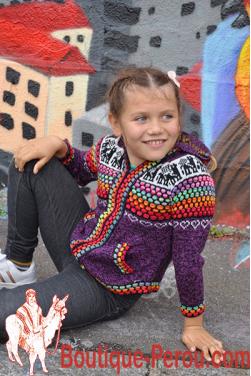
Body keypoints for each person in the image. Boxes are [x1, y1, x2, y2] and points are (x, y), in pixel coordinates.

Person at [0, 66, 224, 363]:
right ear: (116, 123)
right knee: (31, 160)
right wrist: (60, 146)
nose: (156, 128)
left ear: (179, 118)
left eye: (167, 116)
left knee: (6, 315)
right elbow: (81, 168)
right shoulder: (112, 148)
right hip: (80, 243)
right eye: (141, 118)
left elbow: (188, 258)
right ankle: (18, 263)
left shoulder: (190, 181)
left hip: (107, 287)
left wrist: (194, 323)